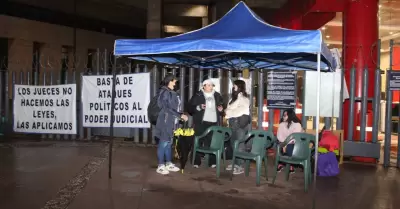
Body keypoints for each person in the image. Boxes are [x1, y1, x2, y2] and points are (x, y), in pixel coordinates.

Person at [154, 74, 188, 175]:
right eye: (174, 81)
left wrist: (180, 114)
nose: (175, 83)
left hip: (171, 121)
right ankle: (160, 165)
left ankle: (168, 163)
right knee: (163, 143)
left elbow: (174, 107)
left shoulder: (171, 92)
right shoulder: (164, 92)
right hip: (165, 121)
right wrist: (180, 115)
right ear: (169, 81)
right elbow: (166, 108)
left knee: (168, 143)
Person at [187, 79, 224, 168]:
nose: (211, 87)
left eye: (212, 85)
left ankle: (212, 162)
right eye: (209, 85)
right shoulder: (198, 95)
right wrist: (198, 107)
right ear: (204, 86)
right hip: (201, 122)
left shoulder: (217, 95)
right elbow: (190, 108)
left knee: (212, 142)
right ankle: (196, 161)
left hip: (214, 122)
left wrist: (221, 110)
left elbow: (222, 107)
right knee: (198, 140)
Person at [225, 79, 251, 175]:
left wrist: (229, 112)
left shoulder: (244, 98)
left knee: (239, 144)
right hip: (233, 123)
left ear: (239, 87)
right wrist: (229, 112)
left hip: (240, 123)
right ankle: (235, 163)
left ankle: (240, 166)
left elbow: (241, 111)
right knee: (233, 144)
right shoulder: (233, 98)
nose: (233, 87)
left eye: (235, 85)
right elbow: (228, 109)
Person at [276, 109, 303, 174]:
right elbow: (279, 136)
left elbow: (295, 137)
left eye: (285, 115)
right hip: (284, 144)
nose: (283, 117)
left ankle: (285, 163)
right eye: (283, 115)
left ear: (290, 116)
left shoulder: (297, 125)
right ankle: (289, 164)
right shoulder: (282, 124)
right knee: (281, 144)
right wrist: (285, 143)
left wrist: (286, 143)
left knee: (290, 146)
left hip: (295, 145)